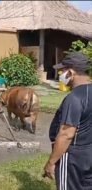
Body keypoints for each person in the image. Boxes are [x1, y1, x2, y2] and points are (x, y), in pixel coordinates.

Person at [43, 52, 92, 190]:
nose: (61, 74)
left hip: (72, 157)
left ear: (70, 72)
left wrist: (51, 162)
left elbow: (66, 134)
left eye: (62, 71)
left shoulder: (74, 98)